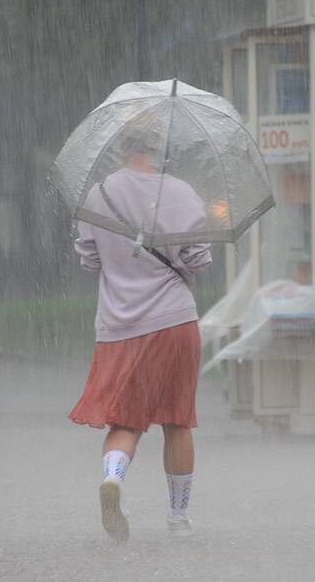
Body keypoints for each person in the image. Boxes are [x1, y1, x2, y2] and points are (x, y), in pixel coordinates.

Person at [68, 119, 212, 541]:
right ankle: (178, 517)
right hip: (174, 321)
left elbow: (90, 259)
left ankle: (113, 478)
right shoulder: (182, 193)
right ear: (159, 149)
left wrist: (120, 263)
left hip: (119, 325)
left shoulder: (99, 194)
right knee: (177, 421)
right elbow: (199, 260)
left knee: (125, 420)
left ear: (118, 148)